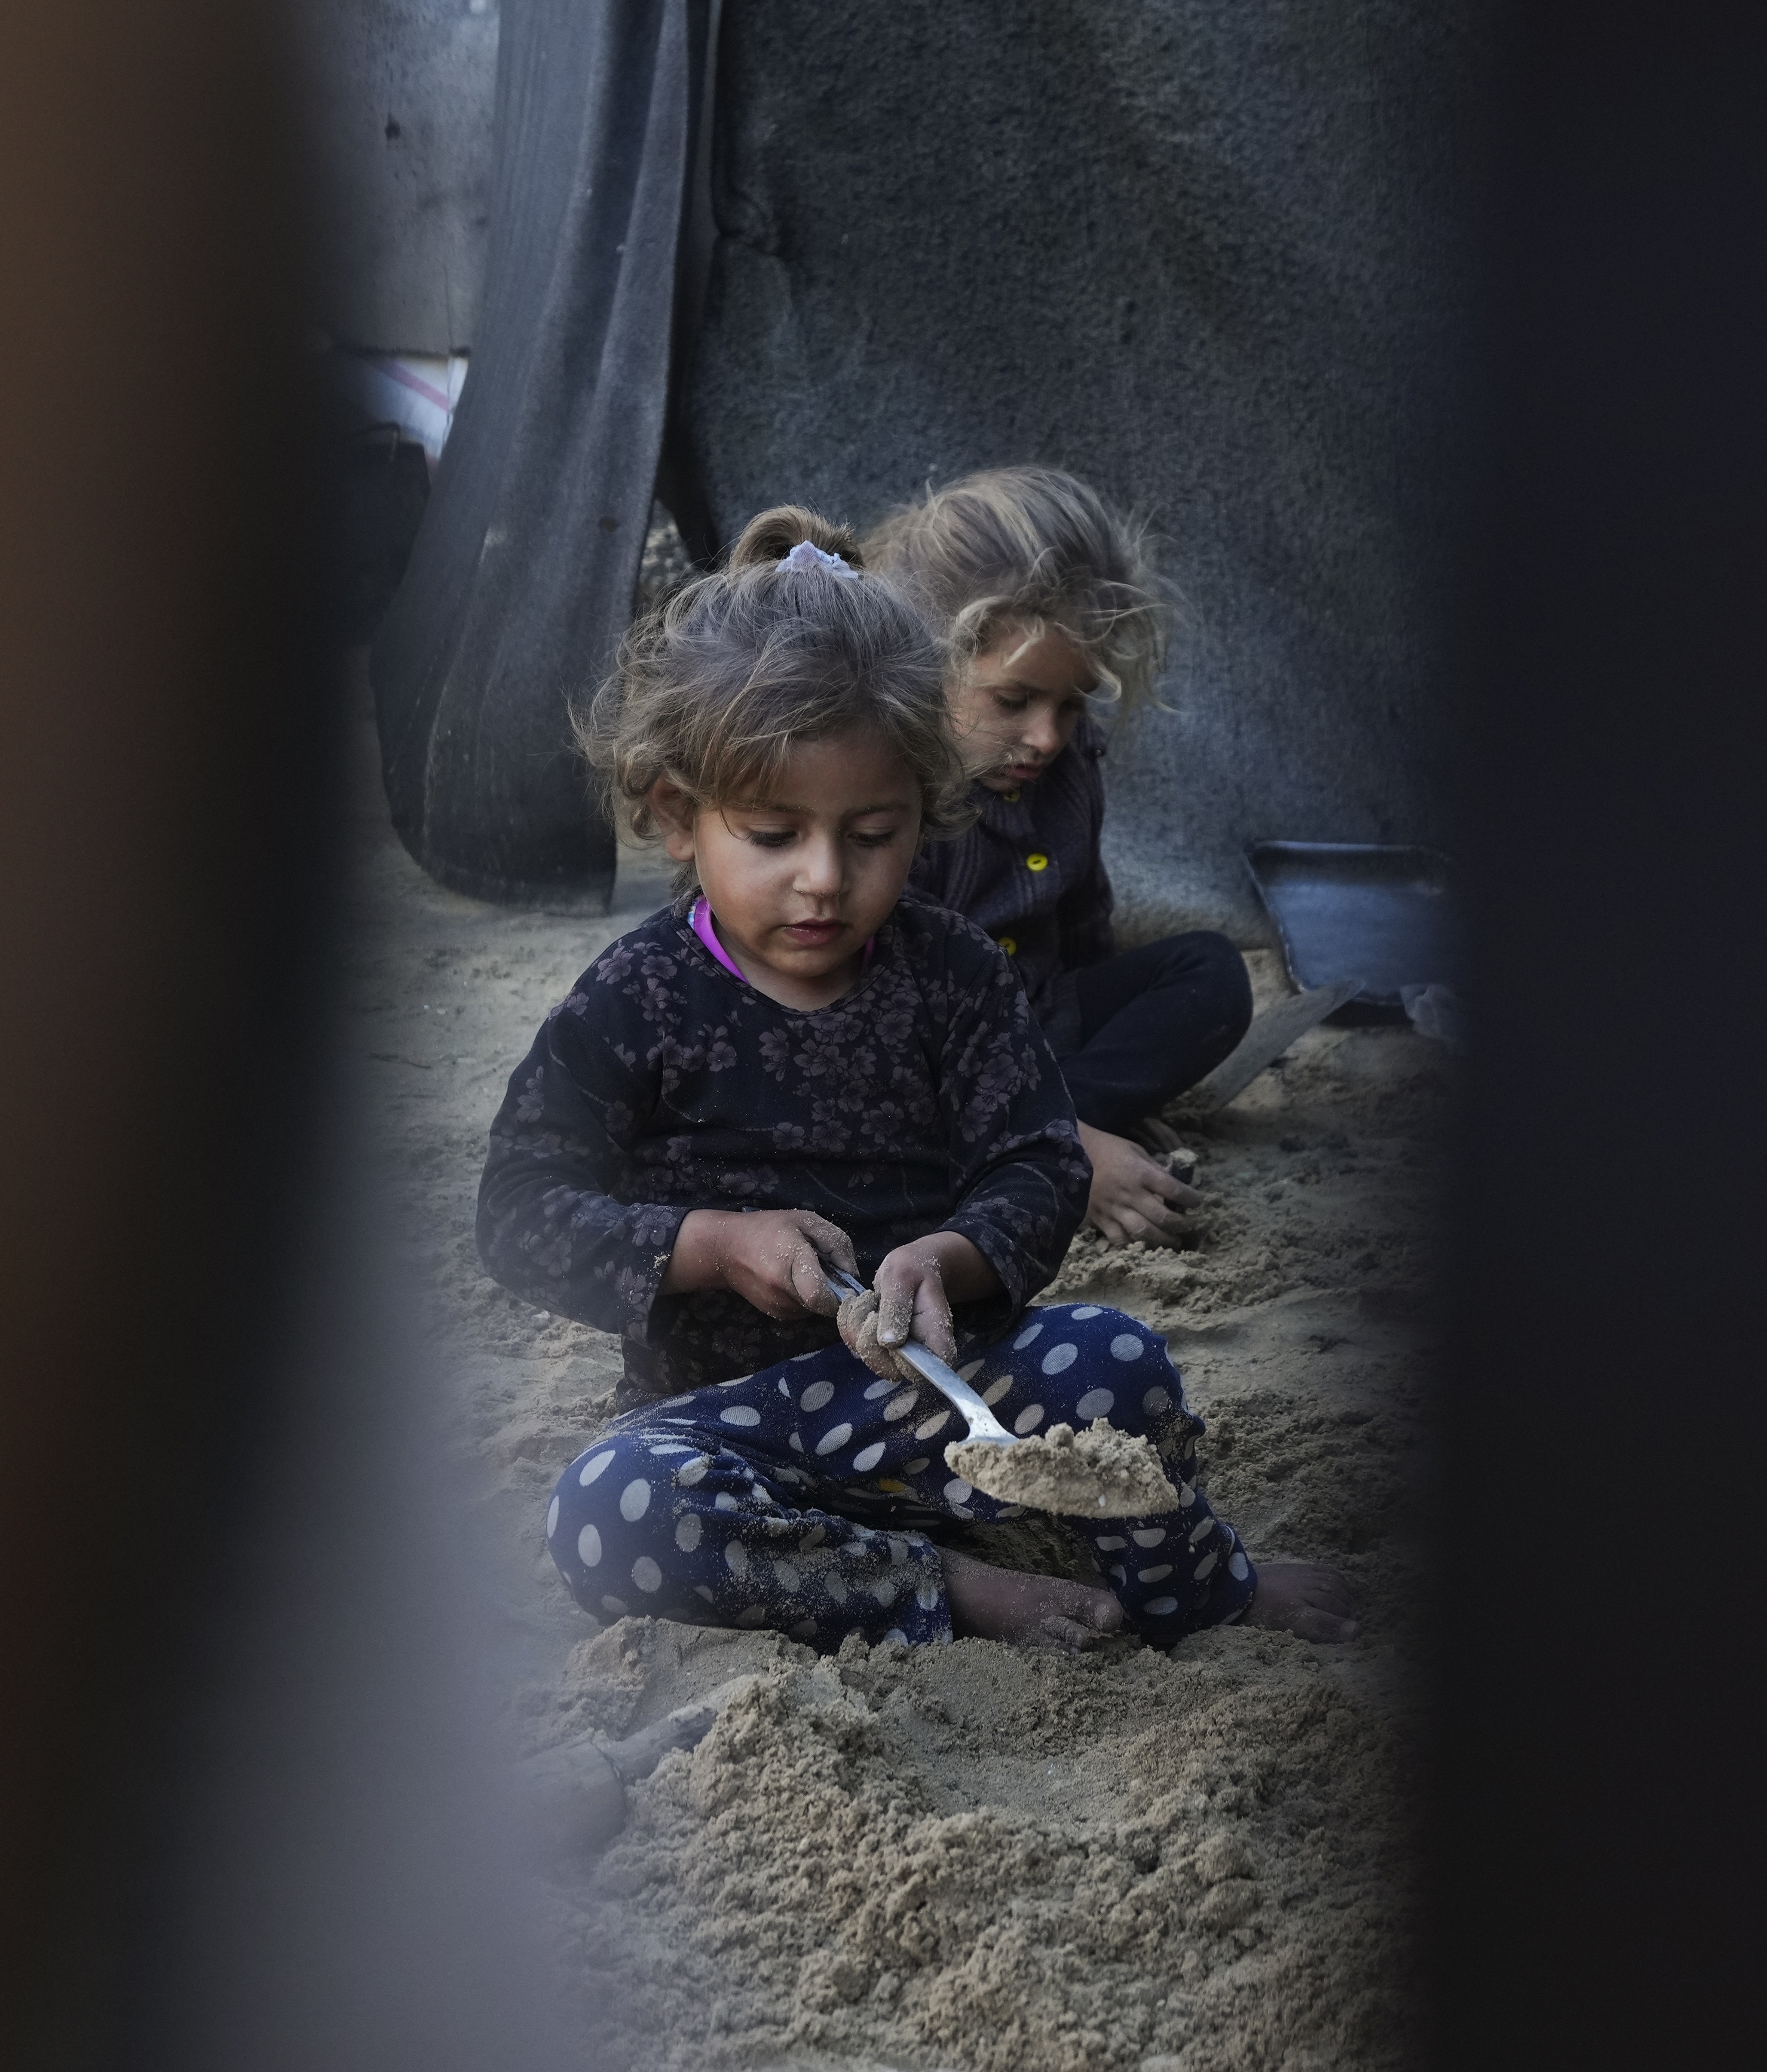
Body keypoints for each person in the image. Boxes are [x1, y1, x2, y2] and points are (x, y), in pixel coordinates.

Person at [477, 510, 1354, 1652]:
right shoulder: (635, 997)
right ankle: (948, 1588)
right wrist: (712, 1244)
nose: (824, 880)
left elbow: (1038, 1163)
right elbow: (519, 1213)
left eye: (873, 835)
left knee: (1117, 1357)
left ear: (927, 816)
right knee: (605, 1510)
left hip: (954, 1407)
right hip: (732, 1429)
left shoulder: (952, 974)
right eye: (775, 834)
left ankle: (1201, 1583)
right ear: (678, 816)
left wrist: (948, 1257)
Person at [860, 466, 1255, 1248]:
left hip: (1048, 1027)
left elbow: (1085, 929)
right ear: (926, 668)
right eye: (1013, 702)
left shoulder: (1068, 774)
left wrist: (1083, 1079)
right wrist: (1064, 1133)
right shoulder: (888, 806)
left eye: (1071, 704)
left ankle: (1059, 1117)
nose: (1047, 736)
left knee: (1211, 973)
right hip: (930, 1066)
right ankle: (1047, 1145)